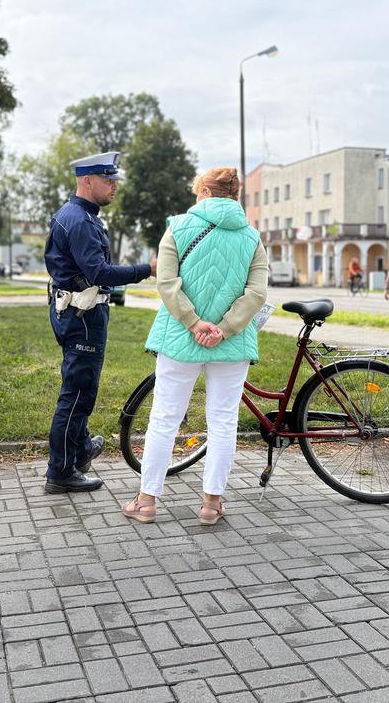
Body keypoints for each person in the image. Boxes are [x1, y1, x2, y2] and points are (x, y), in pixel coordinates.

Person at [121, 167, 267, 527]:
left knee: (165, 419)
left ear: (202, 191)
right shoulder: (251, 237)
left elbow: (167, 283)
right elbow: (257, 293)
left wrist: (192, 322)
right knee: (222, 420)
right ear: (235, 195)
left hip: (180, 338)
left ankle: (147, 501)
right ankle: (211, 503)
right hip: (231, 344)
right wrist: (224, 328)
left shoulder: (179, 228)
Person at [44, 151, 157, 493]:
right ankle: (61, 472)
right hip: (83, 316)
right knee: (77, 394)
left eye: (114, 181)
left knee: (80, 387)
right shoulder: (79, 220)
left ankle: (79, 452)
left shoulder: (81, 216)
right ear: (87, 180)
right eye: (108, 180)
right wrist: (146, 270)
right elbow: (99, 272)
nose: (114, 187)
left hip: (79, 312)